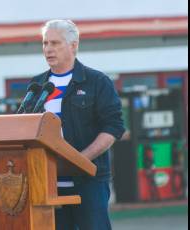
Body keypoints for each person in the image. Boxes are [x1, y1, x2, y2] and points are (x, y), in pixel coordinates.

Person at [29, 19, 125, 230]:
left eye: (55, 43)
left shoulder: (96, 82)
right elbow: (25, 127)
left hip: (88, 183)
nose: (48, 49)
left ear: (73, 45)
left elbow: (113, 126)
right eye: (45, 43)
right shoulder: (37, 86)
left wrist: (80, 160)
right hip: (46, 185)